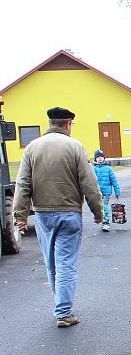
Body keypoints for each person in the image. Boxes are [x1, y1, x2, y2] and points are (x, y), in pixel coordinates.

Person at [13, 106, 103, 328]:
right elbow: (89, 183)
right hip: (69, 213)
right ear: (68, 124)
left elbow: (23, 183)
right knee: (66, 263)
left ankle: (60, 306)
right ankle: (63, 312)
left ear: (50, 123)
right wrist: (98, 211)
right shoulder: (75, 146)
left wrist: (20, 215)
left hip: (43, 214)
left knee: (52, 263)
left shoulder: (32, 148)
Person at [92, 150, 121, 232]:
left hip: (106, 192)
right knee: (98, 207)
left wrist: (117, 191)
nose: (100, 158)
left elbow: (114, 180)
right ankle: (100, 219)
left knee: (104, 206)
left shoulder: (108, 169)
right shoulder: (93, 169)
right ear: (95, 159)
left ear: (104, 158)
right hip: (97, 192)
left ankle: (106, 223)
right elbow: (89, 181)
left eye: (101, 157)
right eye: (98, 157)